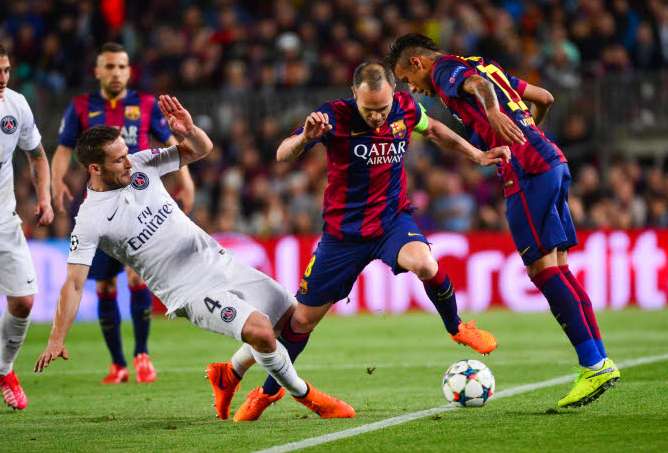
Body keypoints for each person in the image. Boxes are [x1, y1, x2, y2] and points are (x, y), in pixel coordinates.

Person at [34, 96, 355, 422]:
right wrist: (56, 338)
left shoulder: (141, 164)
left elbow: (201, 149)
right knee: (260, 332)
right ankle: (309, 397)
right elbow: (74, 284)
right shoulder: (90, 219)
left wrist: (189, 130)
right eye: (118, 160)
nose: (128, 162)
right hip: (189, 290)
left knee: (291, 316)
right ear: (95, 168)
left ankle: (228, 374)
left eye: (126, 153)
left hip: (218, 260)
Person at [231, 62, 510, 422]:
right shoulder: (333, 116)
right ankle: (268, 392)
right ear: (354, 95)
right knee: (300, 322)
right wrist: (304, 138)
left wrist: (477, 154)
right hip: (343, 235)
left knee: (425, 263)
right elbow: (282, 153)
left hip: (391, 221)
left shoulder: (406, 107)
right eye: (369, 109)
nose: (377, 117)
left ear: (394, 93)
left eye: (382, 108)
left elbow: (434, 129)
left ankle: (457, 327)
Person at [386, 33, 620, 408]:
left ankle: (593, 364)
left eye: (407, 79)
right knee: (559, 269)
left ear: (417, 63)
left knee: (544, 272)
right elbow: (544, 98)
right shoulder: (481, 63)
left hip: (528, 172)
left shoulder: (446, 70)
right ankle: (599, 362)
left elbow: (477, 87)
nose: (412, 89)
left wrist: (495, 115)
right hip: (550, 161)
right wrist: (529, 133)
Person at [51, 42, 195, 384]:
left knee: (136, 275)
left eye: (121, 66)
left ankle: (142, 355)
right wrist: (55, 182)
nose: (116, 72)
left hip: (137, 199)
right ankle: (118, 364)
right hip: (102, 205)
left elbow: (173, 144)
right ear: (97, 71)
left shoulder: (145, 105)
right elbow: (63, 149)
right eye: (110, 66)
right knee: (103, 285)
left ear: (129, 71)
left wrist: (186, 181)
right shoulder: (81, 106)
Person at [0, 45, 54, 410]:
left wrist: (44, 197)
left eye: (6, 70)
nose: (2, 79)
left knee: (23, 301)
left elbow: (36, 155)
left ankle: (4, 369)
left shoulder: (16, 105)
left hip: (4, 220)